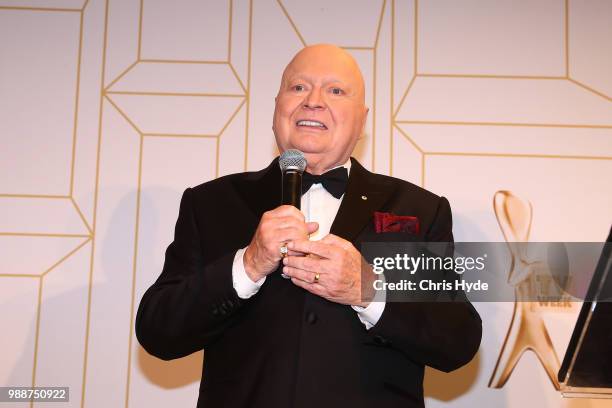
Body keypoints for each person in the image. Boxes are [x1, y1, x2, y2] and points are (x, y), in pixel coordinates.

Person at [136, 44, 482, 408]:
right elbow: (158, 333)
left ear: (362, 120)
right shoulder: (211, 203)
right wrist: (248, 264)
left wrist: (368, 289)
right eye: (298, 87)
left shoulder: (419, 209)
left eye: (336, 91)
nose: (313, 101)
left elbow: (457, 341)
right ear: (276, 109)